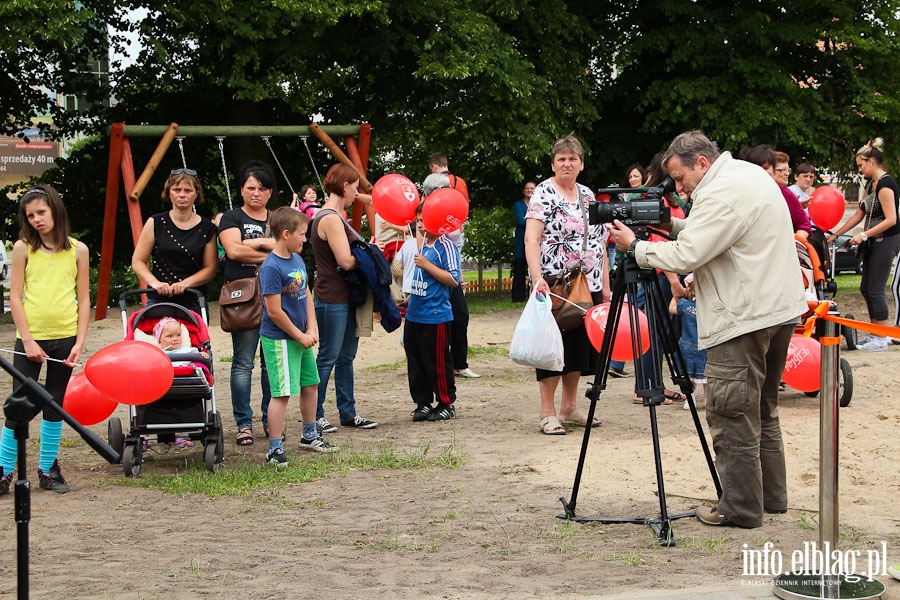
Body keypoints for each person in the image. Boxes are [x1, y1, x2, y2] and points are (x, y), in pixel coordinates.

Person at [609, 130, 807, 528]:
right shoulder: (746, 176)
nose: (677, 188)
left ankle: (740, 509)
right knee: (763, 409)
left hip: (743, 319)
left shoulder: (722, 191)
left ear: (702, 162)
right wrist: (672, 223)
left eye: (680, 179)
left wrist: (634, 246)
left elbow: (691, 253)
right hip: (777, 311)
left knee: (731, 412)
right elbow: (720, 237)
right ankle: (771, 498)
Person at [0, 185, 90, 495]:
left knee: (55, 406)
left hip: (65, 340)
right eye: (30, 215)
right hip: (31, 341)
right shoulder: (23, 247)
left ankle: (48, 467)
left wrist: (79, 343)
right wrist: (27, 340)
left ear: (54, 209)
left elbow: (84, 300)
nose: (37, 219)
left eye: (41, 212)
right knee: (19, 406)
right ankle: (3, 469)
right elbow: (14, 296)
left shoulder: (78, 250)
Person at [526, 135, 610, 435]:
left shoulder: (588, 195)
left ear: (581, 164)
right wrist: (537, 278)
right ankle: (547, 412)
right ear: (553, 163)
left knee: (579, 349)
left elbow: (602, 243)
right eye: (561, 158)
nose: (567, 163)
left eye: (572, 158)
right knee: (552, 348)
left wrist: (607, 287)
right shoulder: (543, 194)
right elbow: (531, 239)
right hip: (555, 284)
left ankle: (569, 407)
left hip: (589, 285)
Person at [259, 207, 338, 465]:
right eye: (302, 234)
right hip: (280, 339)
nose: (305, 239)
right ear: (285, 234)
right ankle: (274, 448)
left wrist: (311, 329)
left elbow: (306, 297)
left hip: (301, 337)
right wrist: (298, 335)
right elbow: (274, 311)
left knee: (310, 384)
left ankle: (309, 434)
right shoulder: (271, 267)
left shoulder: (297, 260)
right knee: (281, 392)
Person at [311, 163, 379, 432]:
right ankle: (314, 415)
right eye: (354, 186)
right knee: (328, 356)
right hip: (332, 297)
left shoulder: (338, 215)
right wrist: (371, 251)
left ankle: (348, 413)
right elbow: (347, 261)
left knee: (346, 357)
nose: (356, 192)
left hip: (346, 296)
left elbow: (374, 201)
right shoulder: (329, 218)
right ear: (344, 186)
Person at [218, 161, 276, 446]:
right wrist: (269, 249)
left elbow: (290, 249)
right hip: (243, 298)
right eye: (250, 187)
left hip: (275, 297)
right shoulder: (231, 217)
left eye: (262, 188)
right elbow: (232, 250)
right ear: (241, 190)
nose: (256, 193)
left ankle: (270, 419)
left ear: (270, 192)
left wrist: (249, 246)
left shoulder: (278, 218)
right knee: (243, 362)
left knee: (270, 364)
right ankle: (244, 424)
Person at [827, 138, 900, 351]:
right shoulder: (870, 184)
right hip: (873, 240)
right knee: (866, 287)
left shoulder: (886, 184)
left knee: (876, 289)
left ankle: (881, 338)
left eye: (861, 165)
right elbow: (860, 213)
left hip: (887, 239)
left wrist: (865, 235)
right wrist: (837, 235)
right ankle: (875, 333)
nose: (860, 170)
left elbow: (891, 219)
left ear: (872, 162)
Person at [131, 168, 218, 314]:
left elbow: (210, 268)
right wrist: (155, 283)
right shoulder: (155, 222)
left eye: (188, 190)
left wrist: (185, 284)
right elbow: (138, 261)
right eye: (177, 190)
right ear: (168, 192)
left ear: (196, 194)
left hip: (193, 298)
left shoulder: (207, 228)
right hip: (158, 299)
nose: (182, 195)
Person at [405, 204, 462, 422]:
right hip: (415, 314)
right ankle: (423, 402)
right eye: (417, 220)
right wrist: (410, 298)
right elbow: (423, 281)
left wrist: (427, 265)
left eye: (423, 220)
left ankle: (446, 403)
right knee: (416, 361)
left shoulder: (445, 245)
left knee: (436, 361)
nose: (419, 225)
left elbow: (453, 279)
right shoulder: (424, 245)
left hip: (435, 315)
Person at [428, 153, 478, 378]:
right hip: (436, 272)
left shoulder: (453, 208)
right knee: (439, 320)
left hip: (452, 270)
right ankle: (439, 363)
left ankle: (459, 362)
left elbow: (456, 241)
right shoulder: (426, 212)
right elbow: (425, 246)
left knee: (460, 315)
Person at [737, 145, 811, 239]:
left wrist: (794, 242)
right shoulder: (741, 192)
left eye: (788, 170)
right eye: (782, 170)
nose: (787, 173)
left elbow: (804, 223)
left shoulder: (784, 193)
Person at [669, 274, 707, 410]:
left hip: (687, 347)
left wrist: (677, 295)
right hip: (705, 346)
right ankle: (708, 400)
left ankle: (690, 401)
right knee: (707, 377)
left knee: (689, 377)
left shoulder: (684, 306)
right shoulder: (709, 307)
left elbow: (671, 308)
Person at [511, 181, 535, 303]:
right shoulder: (518, 204)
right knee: (520, 269)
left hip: (535, 242)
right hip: (521, 241)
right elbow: (520, 221)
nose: (529, 190)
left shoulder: (538, 205)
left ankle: (534, 295)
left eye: (532, 188)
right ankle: (518, 297)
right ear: (523, 190)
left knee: (534, 269)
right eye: (527, 188)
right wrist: (535, 224)